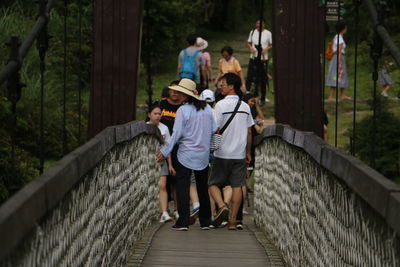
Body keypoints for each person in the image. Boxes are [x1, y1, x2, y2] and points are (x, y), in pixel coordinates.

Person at [156, 78, 217, 231]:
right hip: (202, 154)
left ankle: (183, 222)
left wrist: (164, 151)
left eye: (181, 92)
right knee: (203, 187)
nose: (178, 94)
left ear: (187, 95)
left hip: (185, 154)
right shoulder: (208, 109)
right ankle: (205, 221)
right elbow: (214, 129)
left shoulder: (183, 110)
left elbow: (176, 134)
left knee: (182, 186)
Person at [208, 73, 254, 230]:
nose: (221, 87)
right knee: (237, 186)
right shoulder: (245, 106)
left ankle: (222, 206)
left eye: (223, 84)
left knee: (213, 183)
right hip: (239, 154)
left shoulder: (220, 105)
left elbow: (215, 128)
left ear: (231, 86)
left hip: (222, 153)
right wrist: (248, 153)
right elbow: (249, 132)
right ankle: (233, 222)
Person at [146, 103, 176, 223]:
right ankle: (151, 212)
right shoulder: (144, 127)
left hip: (162, 160)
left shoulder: (164, 128)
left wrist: (170, 164)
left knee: (163, 185)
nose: (158, 116)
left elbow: (168, 147)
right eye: (155, 114)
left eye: (160, 114)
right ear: (149, 114)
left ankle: (164, 212)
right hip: (148, 160)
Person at [159, 80, 182, 220]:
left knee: (177, 180)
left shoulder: (184, 107)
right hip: (163, 147)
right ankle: (164, 210)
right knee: (163, 181)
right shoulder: (161, 105)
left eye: (177, 90)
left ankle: (178, 209)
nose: (174, 93)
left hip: (179, 147)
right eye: (172, 90)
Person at [246, 18, 272, 106]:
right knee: (250, 76)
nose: (259, 25)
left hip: (263, 58)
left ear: (264, 24)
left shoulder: (268, 33)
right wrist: (250, 48)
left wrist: (265, 49)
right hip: (253, 57)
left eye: (261, 23)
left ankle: (263, 97)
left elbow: (271, 44)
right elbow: (248, 43)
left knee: (262, 78)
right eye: (257, 23)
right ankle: (248, 95)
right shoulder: (252, 32)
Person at [326, 22, 351, 101]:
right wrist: (339, 63)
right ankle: (331, 96)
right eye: (345, 28)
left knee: (341, 75)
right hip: (338, 58)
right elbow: (339, 52)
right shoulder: (340, 39)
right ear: (343, 29)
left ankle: (342, 95)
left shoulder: (336, 37)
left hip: (337, 58)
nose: (346, 29)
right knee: (335, 75)